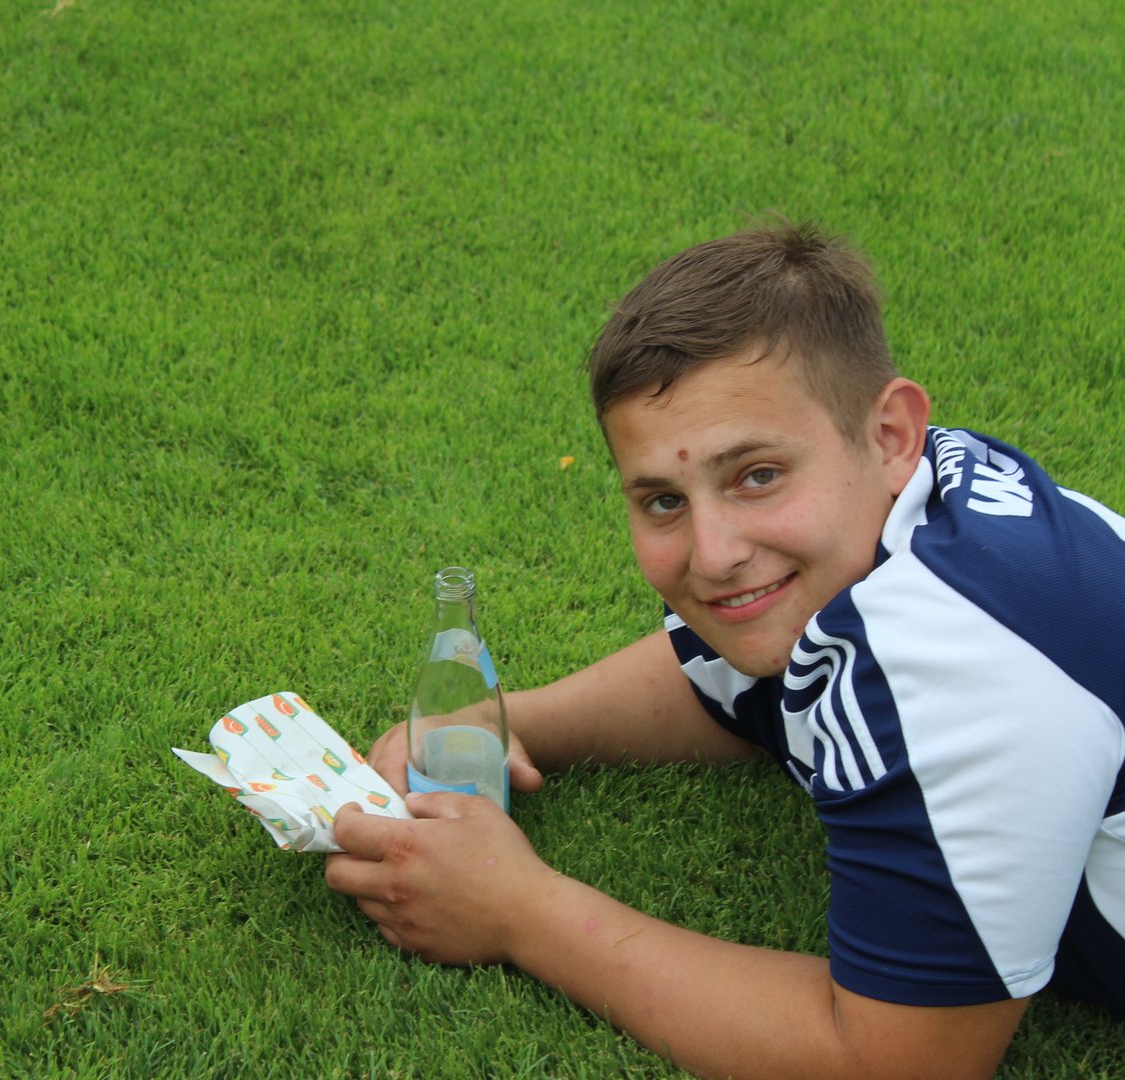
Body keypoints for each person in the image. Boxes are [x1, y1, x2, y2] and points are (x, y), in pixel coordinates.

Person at [324, 221, 1125, 1079]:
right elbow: (730, 676)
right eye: (663, 501)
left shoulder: (952, 673)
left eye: (757, 476)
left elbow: (900, 1061)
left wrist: (520, 909)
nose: (712, 555)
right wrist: (506, 722)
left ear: (891, 434)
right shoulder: (913, 504)